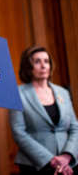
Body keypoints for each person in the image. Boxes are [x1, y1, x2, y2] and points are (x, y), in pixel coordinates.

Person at [9, 46, 78, 175]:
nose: (43, 65)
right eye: (37, 61)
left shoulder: (63, 92)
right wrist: (51, 160)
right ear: (28, 67)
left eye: (46, 61)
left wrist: (67, 156)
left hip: (69, 164)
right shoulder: (18, 93)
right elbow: (18, 132)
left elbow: (75, 127)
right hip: (35, 165)